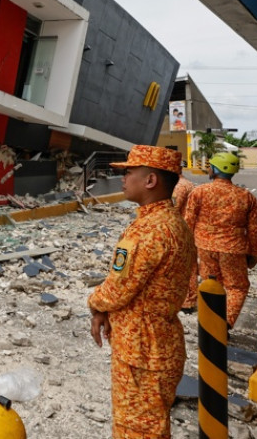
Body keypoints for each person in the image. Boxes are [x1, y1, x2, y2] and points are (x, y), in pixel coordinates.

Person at [89, 145, 195, 438]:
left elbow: (117, 290)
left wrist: (96, 305)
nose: (123, 178)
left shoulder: (148, 231)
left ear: (150, 181)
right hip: (158, 343)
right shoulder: (174, 224)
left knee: (137, 430)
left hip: (142, 351)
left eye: (129, 172)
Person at [182, 152, 257, 328]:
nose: (208, 168)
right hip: (233, 249)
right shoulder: (247, 197)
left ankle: (210, 323)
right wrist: (253, 253)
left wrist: (187, 247)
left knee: (211, 283)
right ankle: (224, 324)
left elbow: (188, 221)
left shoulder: (199, 192)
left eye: (211, 166)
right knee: (237, 288)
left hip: (204, 247)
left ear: (217, 169)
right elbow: (253, 229)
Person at [173, 174, 198, 311]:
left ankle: (187, 302)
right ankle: (190, 300)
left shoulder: (179, 187)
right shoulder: (188, 184)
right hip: (191, 231)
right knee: (191, 267)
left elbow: (172, 210)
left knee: (184, 268)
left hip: (182, 233)